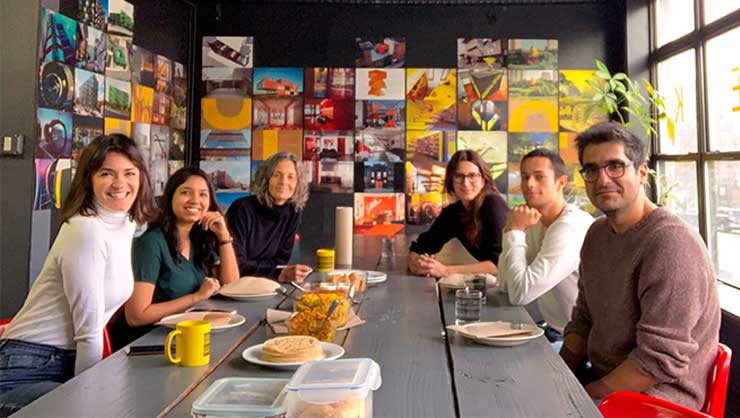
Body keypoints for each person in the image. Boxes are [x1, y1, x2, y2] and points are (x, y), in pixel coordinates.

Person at [560, 122, 720, 409]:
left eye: (615, 166)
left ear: (642, 172)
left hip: (658, 401)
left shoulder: (671, 243)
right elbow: (583, 319)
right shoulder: (597, 234)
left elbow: (657, 361)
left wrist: (584, 394)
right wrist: (558, 376)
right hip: (603, 381)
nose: (603, 179)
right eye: (591, 169)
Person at [0, 134, 154, 416]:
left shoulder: (126, 224)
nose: (120, 184)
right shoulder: (86, 230)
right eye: (107, 173)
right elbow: (89, 333)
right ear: (89, 179)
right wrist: (90, 400)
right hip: (24, 367)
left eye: (129, 173)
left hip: (61, 361)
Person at [109, 167, 240, 349]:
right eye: (186, 192)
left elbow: (232, 286)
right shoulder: (150, 242)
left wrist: (223, 236)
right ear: (170, 197)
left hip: (186, 338)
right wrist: (196, 297)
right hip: (148, 344)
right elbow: (136, 316)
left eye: (203, 194)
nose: (195, 200)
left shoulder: (199, 239)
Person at [497, 149, 593, 344]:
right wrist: (510, 229)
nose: (529, 184)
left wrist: (515, 231)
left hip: (583, 345)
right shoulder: (533, 220)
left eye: (539, 177)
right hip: (550, 331)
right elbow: (505, 285)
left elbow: (520, 295)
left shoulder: (570, 227)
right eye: (524, 177)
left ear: (561, 182)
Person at [408, 149, 508, 276]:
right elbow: (421, 247)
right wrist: (418, 264)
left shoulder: (493, 204)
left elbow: (500, 264)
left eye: (472, 176)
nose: (465, 183)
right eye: (459, 176)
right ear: (451, 181)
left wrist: (446, 271)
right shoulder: (454, 213)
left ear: (483, 180)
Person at [226, 152, 312, 283]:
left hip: (266, 284)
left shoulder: (293, 211)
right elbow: (236, 265)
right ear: (266, 179)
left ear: (298, 183)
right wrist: (279, 273)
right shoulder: (242, 208)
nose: (284, 182)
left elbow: (280, 261)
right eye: (277, 175)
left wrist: (266, 269)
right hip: (236, 285)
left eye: (291, 177)